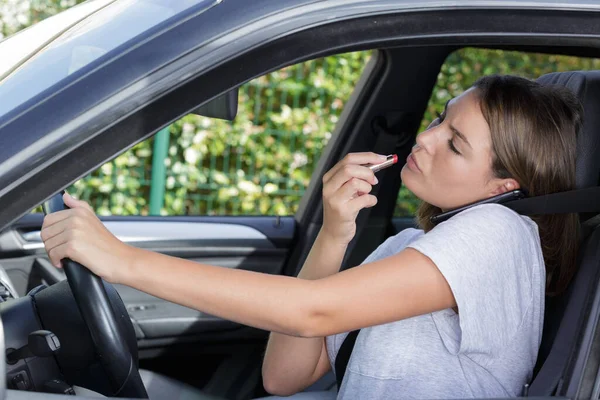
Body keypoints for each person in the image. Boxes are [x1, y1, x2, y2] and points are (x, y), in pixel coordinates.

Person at [41, 74, 582, 399]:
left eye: (455, 144)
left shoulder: (500, 233)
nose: (427, 138)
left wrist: (120, 260)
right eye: (440, 119)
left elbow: (312, 311)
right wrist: (333, 235)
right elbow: (285, 374)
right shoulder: (414, 247)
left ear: (506, 185)